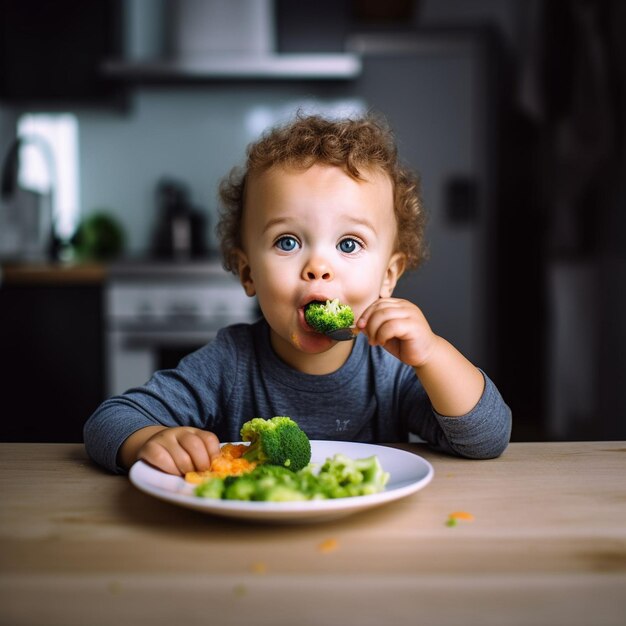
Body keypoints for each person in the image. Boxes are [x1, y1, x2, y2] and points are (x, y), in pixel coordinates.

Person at [84, 113, 511, 475]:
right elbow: (107, 422)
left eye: (348, 244)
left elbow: (488, 438)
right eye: (287, 242)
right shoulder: (228, 364)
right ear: (248, 272)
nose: (318, 267)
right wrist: (150, 440)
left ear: (389, 275)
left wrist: (433, 354)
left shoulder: (391, 369)